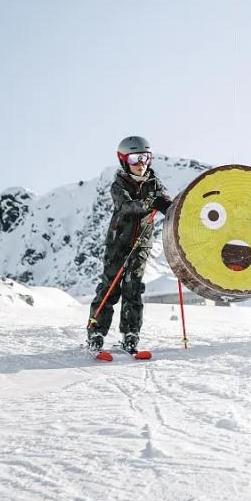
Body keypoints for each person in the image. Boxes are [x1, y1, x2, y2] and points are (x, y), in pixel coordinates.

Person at [87, 136, 172, 354]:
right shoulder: (119, 185)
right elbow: (127, 207)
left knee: (133, 288)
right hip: (119, 242)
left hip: (141, 244)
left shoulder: (154, 183)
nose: (141, 163)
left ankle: (131, 333)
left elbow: (166, 204)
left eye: (145, 157)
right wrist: (149, 202)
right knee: (110, 286)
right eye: (135, 158)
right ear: (124, 160)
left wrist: (172, 208)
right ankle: (96, 331)